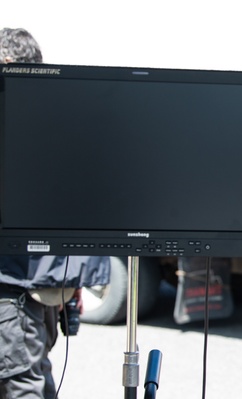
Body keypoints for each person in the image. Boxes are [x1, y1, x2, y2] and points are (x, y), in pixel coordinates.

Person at [0, 27, 110, 399]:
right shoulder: (61, 121)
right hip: (37, 295)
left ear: (11, 67)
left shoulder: (20, 125)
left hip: (16, 294)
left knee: (23, 386)